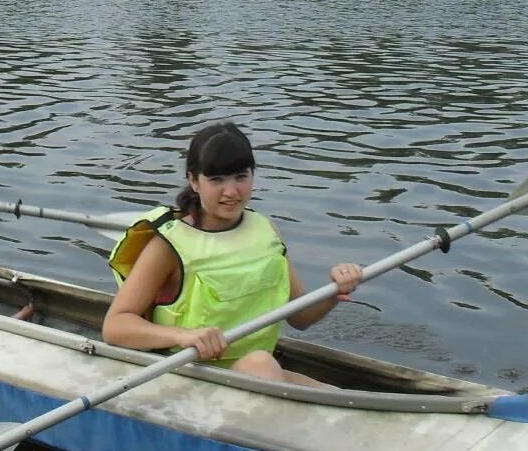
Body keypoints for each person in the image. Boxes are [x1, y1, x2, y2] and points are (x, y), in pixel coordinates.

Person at [102, 121, 361, 386]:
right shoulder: (168, 245)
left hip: (260, 372)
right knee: (260, 363)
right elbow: (115, 326)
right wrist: (182, 336)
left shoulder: (266, 230)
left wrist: (333, 291)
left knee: (346, 403)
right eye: (216, 180)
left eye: (241, 177)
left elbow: (300, 317)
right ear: (193, 180)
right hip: (189, 376)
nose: (231, 192)